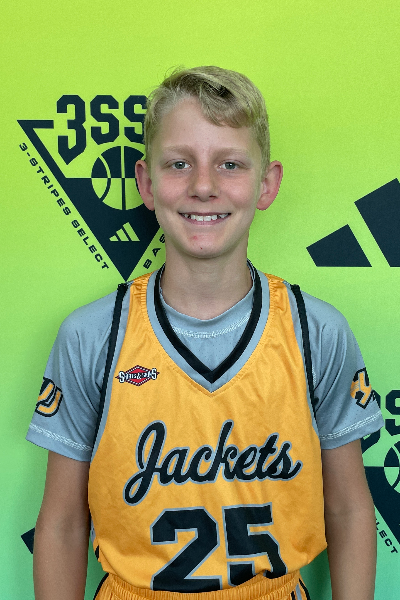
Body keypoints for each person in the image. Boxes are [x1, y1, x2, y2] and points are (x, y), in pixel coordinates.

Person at [27, 66, 383, 600]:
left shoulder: (315, 332)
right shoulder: (93, 336)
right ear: (146, 183)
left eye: (230, 164)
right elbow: (61, 524)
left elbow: (350, 508)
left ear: (267, 184)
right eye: (179, 163)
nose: (203, 186)